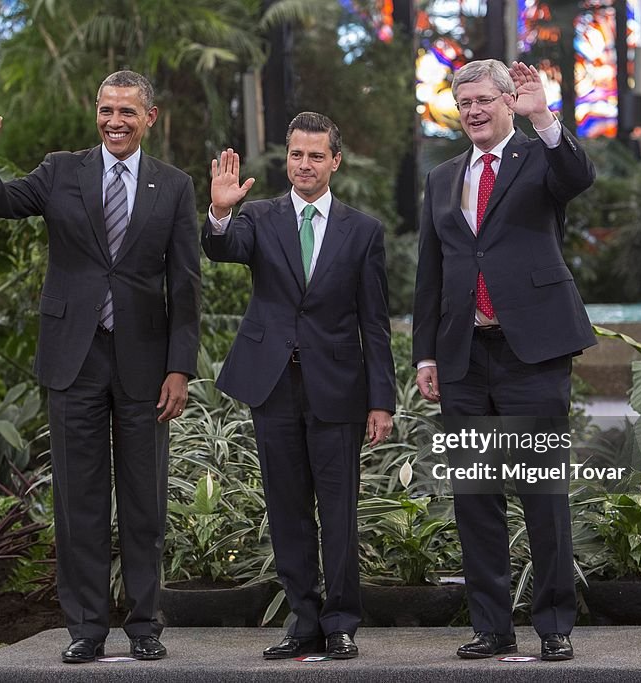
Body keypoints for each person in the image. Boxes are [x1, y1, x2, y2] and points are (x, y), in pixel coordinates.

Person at [0, 71, 200, 664]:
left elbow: (185, 286)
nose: (115, 121)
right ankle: (86, 629)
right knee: (78, 502)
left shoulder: (174, 186)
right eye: (106, 110)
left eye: (127, 113)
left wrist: (180, 369)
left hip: (146, 366)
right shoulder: (61, 170)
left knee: (144, 503)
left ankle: (144, 625)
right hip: (74, 360)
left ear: (151, 117)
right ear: (97, 112)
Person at [412, 59, 596, 662]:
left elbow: (577, 174)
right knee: (475, 497)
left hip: (533, 351)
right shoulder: (442, 178)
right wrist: (425, 357)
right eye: (463, 103)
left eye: (485, 100)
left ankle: (554, 626)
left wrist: (543, 114)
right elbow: (430, 275)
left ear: (508, 102)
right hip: (464, 355)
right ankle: (492, 627)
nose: (473, 111)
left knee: (542, 494)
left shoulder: (539, 155)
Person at [202, 112, 395, 660]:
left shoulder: (363, 231)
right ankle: (303, 619)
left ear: (335, 161)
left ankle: (340, 622)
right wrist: (219, 210)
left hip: (338, 388)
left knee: (338, 510)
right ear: (286, 158)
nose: (304, 165)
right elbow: (222, 248)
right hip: (273, 387)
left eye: (315, 156)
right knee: (286, 507)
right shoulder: (258, 216)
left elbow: (374, 324)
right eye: (295, 154)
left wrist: (381, 401)